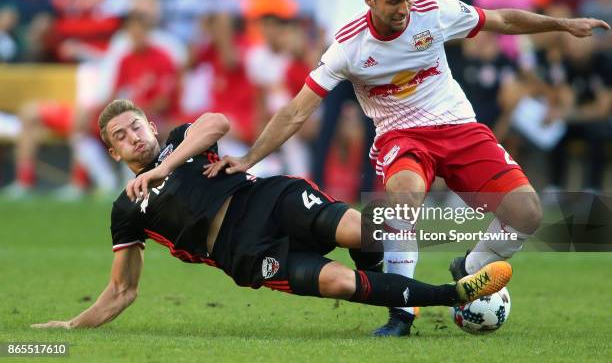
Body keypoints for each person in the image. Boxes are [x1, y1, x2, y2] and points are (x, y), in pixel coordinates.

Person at [204, 0, 610, 336]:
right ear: (370, 0)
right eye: (394, 0)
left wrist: (562, 24)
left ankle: (471, 265)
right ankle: (402, 312)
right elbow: (296, 111)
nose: (404, 8)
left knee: (528, 214)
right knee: (405, 197)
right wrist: (250, 157)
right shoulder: (348, 46)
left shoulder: (433, 12)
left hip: (459, 128)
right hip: (402, 137)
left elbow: (501, 20)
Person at [31, 99, 512, 331]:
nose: (133, 135)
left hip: (267, 200)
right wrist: (73, 327)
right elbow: (123, 290)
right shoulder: (125, 209)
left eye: (136, 125)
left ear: (151, 125)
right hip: (245, 252)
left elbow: (219, 122)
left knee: (364, 229)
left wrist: (165, 168)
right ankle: (455, 294)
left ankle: (421, 281)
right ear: (114, 153)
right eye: (121, 135)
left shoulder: (180, 139)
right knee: (340, 284)